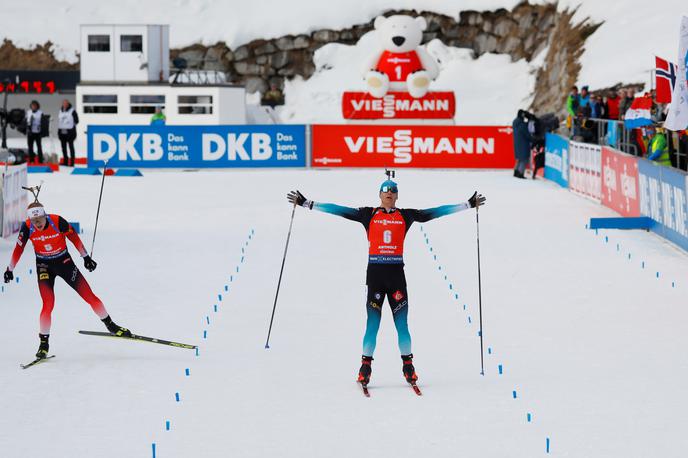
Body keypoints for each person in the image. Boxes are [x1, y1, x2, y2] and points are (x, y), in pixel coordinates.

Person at [286, 180, 486, 387]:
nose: (389, 194)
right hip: (375, 277)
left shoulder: (405, 215)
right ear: (380, 195)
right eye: (385, 191)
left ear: (397, 196)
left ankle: (408, 365)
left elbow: (433, 213)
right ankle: (365, 367)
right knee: (372, 324)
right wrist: (307, 203)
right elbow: (340, 210)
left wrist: (468, 205)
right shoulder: (368, 214)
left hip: (396, 277)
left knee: (402, 325)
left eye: (393, 191)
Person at [3, 196, 131, 359]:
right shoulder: (27, 227)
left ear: (45, 215)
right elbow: (18, 248)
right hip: (44, 266)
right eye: (34, 220)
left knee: (89, 296)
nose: (38, 223)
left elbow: (73, 237)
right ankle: (44, 344)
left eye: (40, 219)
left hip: (64, 263)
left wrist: (85, 257)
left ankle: (111, 325)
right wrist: (10, 269)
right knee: (48, 304)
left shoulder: (58, 221)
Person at [57, 99, 79, 167]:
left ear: (68, 104)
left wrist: (70, 125)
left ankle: (72, 162)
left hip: (70, 132)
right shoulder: (60, 110)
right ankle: (65, 161)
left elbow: (76, 120)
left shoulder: (72, 111)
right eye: (63, 103)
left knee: (71, 147)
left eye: (66, 103)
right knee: (63, 148)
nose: (64, 105)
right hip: (62, 132)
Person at [512, 109, 532, 178]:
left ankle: (516, 171)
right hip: (523, 144)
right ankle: (520, 173)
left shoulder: (516, 123)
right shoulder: (522, 125)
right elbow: (527, 134)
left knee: (519, 159)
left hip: (517, 143)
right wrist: (533, 139)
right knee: (524, 159)